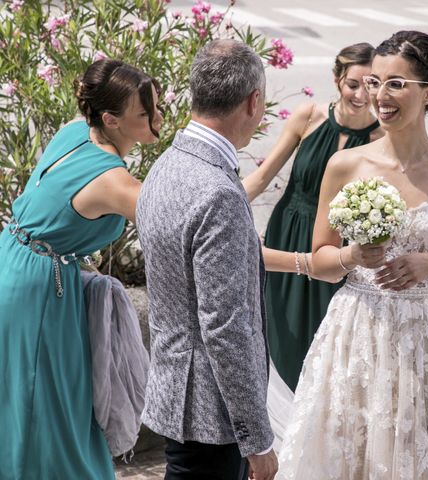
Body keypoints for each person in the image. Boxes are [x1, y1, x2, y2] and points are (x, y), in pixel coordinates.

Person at [276, 31, 428, 479]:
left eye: (395, 84)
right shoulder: (346, 166)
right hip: (357, 335)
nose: (380, 97)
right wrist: (353, 255)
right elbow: (321, 262)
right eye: (374, 83)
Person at [0, 59, 162, 479]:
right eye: (145, 113)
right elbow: (196, 225)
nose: (158, 117)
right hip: (39, 289)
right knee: (48, 405)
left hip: (15, 261)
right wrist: (301, 262)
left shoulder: (76, 129)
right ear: (111, 119)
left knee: (29, 399)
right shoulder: (113, 181)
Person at [136, 39, 278, 480]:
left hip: (176, 392)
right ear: (254, 102)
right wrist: (258, 440)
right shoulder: (216, 190)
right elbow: (225, 327)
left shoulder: (167, 163)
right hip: (210, 413)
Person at [242, 43, 383, 391]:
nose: (362, 94)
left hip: (337, 247)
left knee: (329, 338)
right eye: (354, 83)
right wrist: (219, 207)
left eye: (372, 84)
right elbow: (261, 177)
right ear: (337, 80)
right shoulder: (308, 117)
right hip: (289, 232)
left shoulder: (382, 137)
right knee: (282, 332)